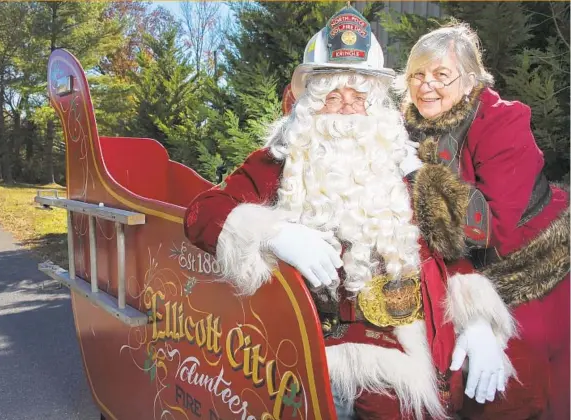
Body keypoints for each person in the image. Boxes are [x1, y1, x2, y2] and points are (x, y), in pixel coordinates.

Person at [185, 8, 547, 419]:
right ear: (310, 104)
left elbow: (445, 252)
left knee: (520, 393)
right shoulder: (280, 161)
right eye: (332, 96)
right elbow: (202, 212)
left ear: (374, 105)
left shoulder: (398, 159)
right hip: (320, 354)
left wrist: (477, 321)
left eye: (358, 98)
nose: (345, 109)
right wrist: (271, 234)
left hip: (413, 349)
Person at [400, 23, 570, 419]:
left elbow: (491, 230)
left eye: (441, 75)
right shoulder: (405, 125)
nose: (426, 85)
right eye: (417, 75)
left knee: (518, 387)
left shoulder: (501, 121)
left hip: (530, 267)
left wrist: (418, 177)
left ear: (470, 79)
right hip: (460, 274)